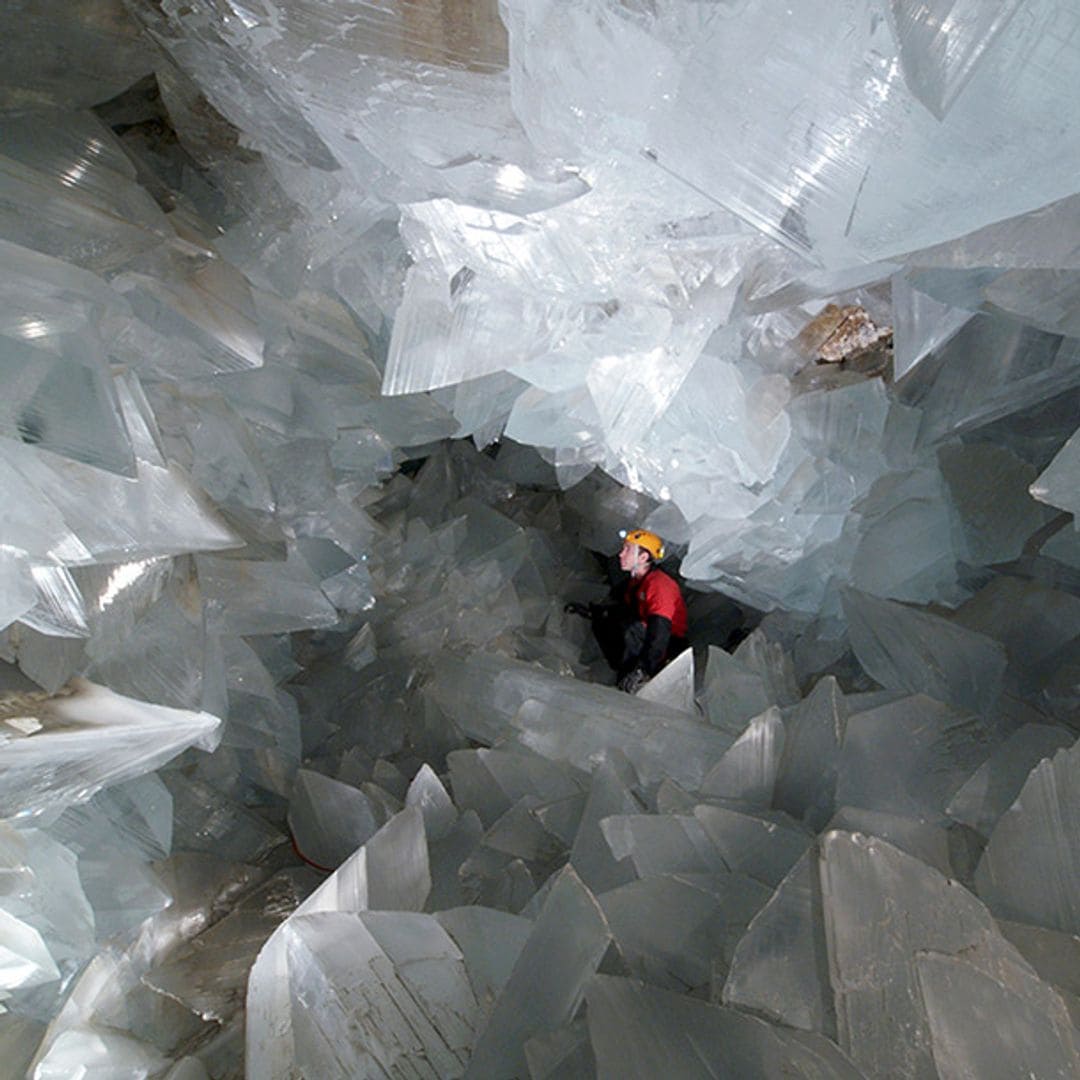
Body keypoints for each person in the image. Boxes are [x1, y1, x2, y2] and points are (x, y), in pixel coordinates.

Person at [568, 528, 689, 693]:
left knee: (629, 627)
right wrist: (593, 614)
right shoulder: (637, 581)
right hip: (645, 636)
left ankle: (637, 682)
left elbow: (659, 632)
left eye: (628, 550)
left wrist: (643, 670)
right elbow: (623, 610)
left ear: (643, 557)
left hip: (667, 648)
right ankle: (624, 673)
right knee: (611, 622)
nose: (621, 554)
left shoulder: (660, 585)